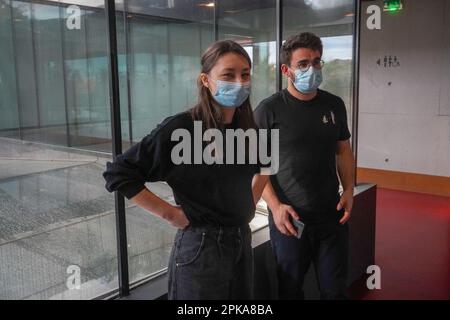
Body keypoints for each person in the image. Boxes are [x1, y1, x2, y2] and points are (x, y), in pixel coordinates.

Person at [103, 40, 269, 300]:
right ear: (205, 79)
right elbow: (118, 172)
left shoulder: (248, 128)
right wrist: (170, 214)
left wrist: (250, 200)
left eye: (245, 74)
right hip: (201, 248)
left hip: (240, 241)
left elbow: (267, 165)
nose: (239, 82)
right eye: (228, 74)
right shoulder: (183, 128)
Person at [253, 32, 355, 299]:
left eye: (317, 61)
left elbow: (343, 150)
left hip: (331, 215)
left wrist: (349, 189)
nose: (313, 68)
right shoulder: (269, 110)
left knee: (335, 290)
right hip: (290, 220)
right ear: (287, 70)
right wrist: (274, 207)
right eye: (303, 64)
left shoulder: (334, 105)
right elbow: (258, 166)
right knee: (290, 289)